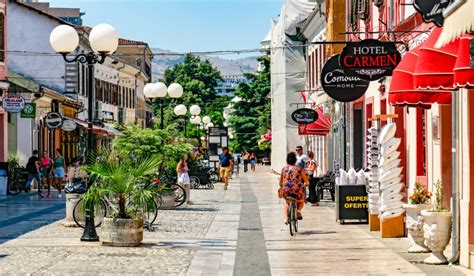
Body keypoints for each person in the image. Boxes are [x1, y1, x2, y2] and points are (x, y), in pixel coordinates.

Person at [279, 152, 309, 223]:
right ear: (295, 160)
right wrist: (306, 184)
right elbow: (306, 181)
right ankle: (298, 210)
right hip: (297, 190)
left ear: (287, 160)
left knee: (287, 203)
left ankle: (286, 219)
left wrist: (282, 186)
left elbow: (281, 181)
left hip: (286, 190)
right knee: (301, 200)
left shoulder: (284, 169)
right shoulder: (299, 169)